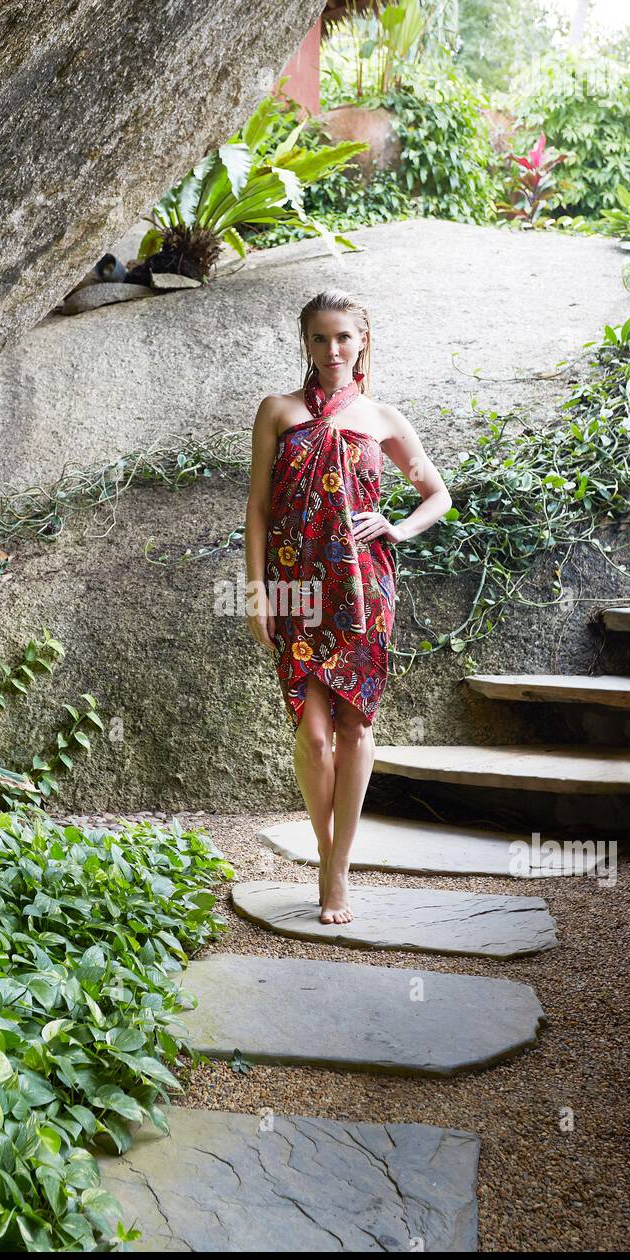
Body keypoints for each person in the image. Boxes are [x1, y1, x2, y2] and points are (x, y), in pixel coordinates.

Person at [245, 290, 452, 924]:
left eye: (343, 337)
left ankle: (337, 872)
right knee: (311, 734)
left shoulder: (384, 419)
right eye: (318, 338)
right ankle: (325, 847)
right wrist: (256, 590)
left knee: (355, 726)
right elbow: (256, 507)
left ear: (362, 341)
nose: (332, 349)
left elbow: (435, 493)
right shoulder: (277, 411)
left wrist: (397, 526)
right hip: (294, 584)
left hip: (364, 585)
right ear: (304, 344)